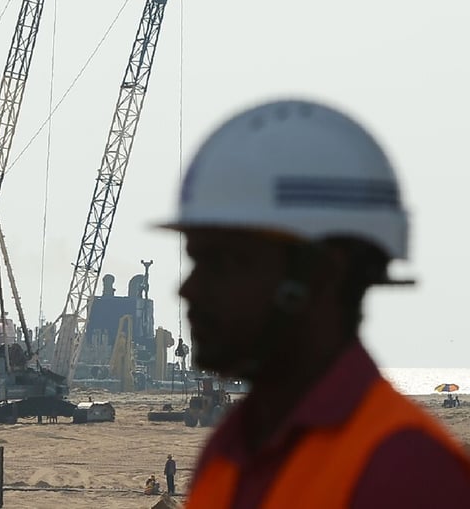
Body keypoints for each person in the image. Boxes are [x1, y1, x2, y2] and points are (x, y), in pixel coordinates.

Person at [160, 99, 470, 507]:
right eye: (197, 259)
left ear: (324, 273)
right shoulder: (231, 448)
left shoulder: (404, 472)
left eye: (225, 262)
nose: (188, 289)